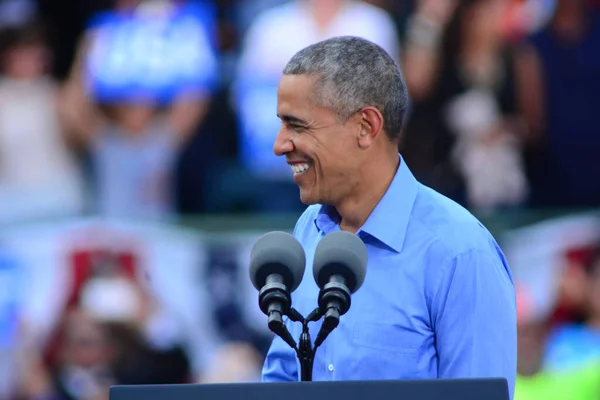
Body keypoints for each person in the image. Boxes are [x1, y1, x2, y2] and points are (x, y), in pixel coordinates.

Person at [262, 36, 517, 398]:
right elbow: (281, 381)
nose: (279, 145)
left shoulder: (460, 253)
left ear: (366, 126)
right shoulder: (308, 230)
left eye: (297, 125)